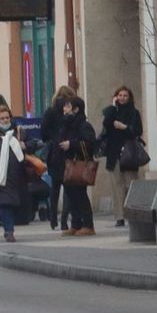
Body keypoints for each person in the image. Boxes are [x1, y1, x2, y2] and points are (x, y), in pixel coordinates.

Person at [0, 106, 41, 243]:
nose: (5, 120)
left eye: (7, 117)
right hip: (0, 179)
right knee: (6, 204)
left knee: (14, 204)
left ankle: (9, 227)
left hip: (17, 177)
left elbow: (34, 143)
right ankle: (9, 231)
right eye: (2, 118)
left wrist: (24, 145)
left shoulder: (18, 132)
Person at [100, 86, 144, 227]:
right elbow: (106, 124)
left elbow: (138, 131)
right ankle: (119, 216)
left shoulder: (134, 113)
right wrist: (113, 107)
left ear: (129, 97)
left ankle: (132, 213)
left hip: (129, 152)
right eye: (119, 95)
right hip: (114, 153)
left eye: (125, 95)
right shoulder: (112, 112)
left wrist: (124, 127)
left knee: (130, 185)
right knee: (116, 185)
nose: (122, 98)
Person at [58, 96, 97, 236]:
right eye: (65, 106)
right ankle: (75, 224)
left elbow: (89, 142)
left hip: (79, 164)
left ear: (76, 109)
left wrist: (71, 144)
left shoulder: (83, 125)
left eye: (68, 106)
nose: (64, 109)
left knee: (80, 195)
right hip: (67, 165)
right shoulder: (66, 124)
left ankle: (88, 224)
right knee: (70, 195)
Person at [41, 85, 76, 232]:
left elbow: (43, 133)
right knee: (68, 187)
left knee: (55, 187)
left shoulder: (50, 111)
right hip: (69, 151)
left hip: (55, 153)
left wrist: (52, 140)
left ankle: (53, 218)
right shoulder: (72, 111)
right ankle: (64, 220)